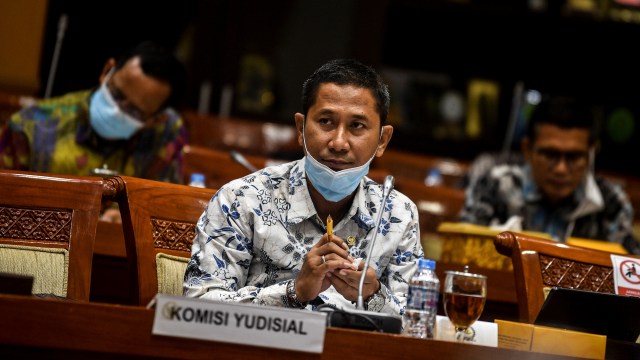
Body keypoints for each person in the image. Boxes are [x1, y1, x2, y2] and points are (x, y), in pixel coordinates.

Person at [184, 59, 424, 316]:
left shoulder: (398, 213)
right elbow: (198, 305)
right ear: (301, 128)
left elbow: (418, 322)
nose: (339, 142)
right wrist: (294, 292)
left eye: (357, 126)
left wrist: (373, 295)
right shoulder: (241, 199)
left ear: (382, 140)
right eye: (326, 121)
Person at [460, 95, 640, 255]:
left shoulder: (611, 202)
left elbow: (629, 275)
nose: (561, 169)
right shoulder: (495, 186)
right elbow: (461, 253)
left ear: (590, 155)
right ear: (527, 149)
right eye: (550, 155)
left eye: (574, 157)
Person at [0, 41, 188, 184]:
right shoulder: (31, 126)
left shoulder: (167, 132)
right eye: (116, 93)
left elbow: (164, 213)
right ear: (107, 71)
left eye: (134, 110)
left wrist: (130, 217)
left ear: (156, 119)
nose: (116, 109)